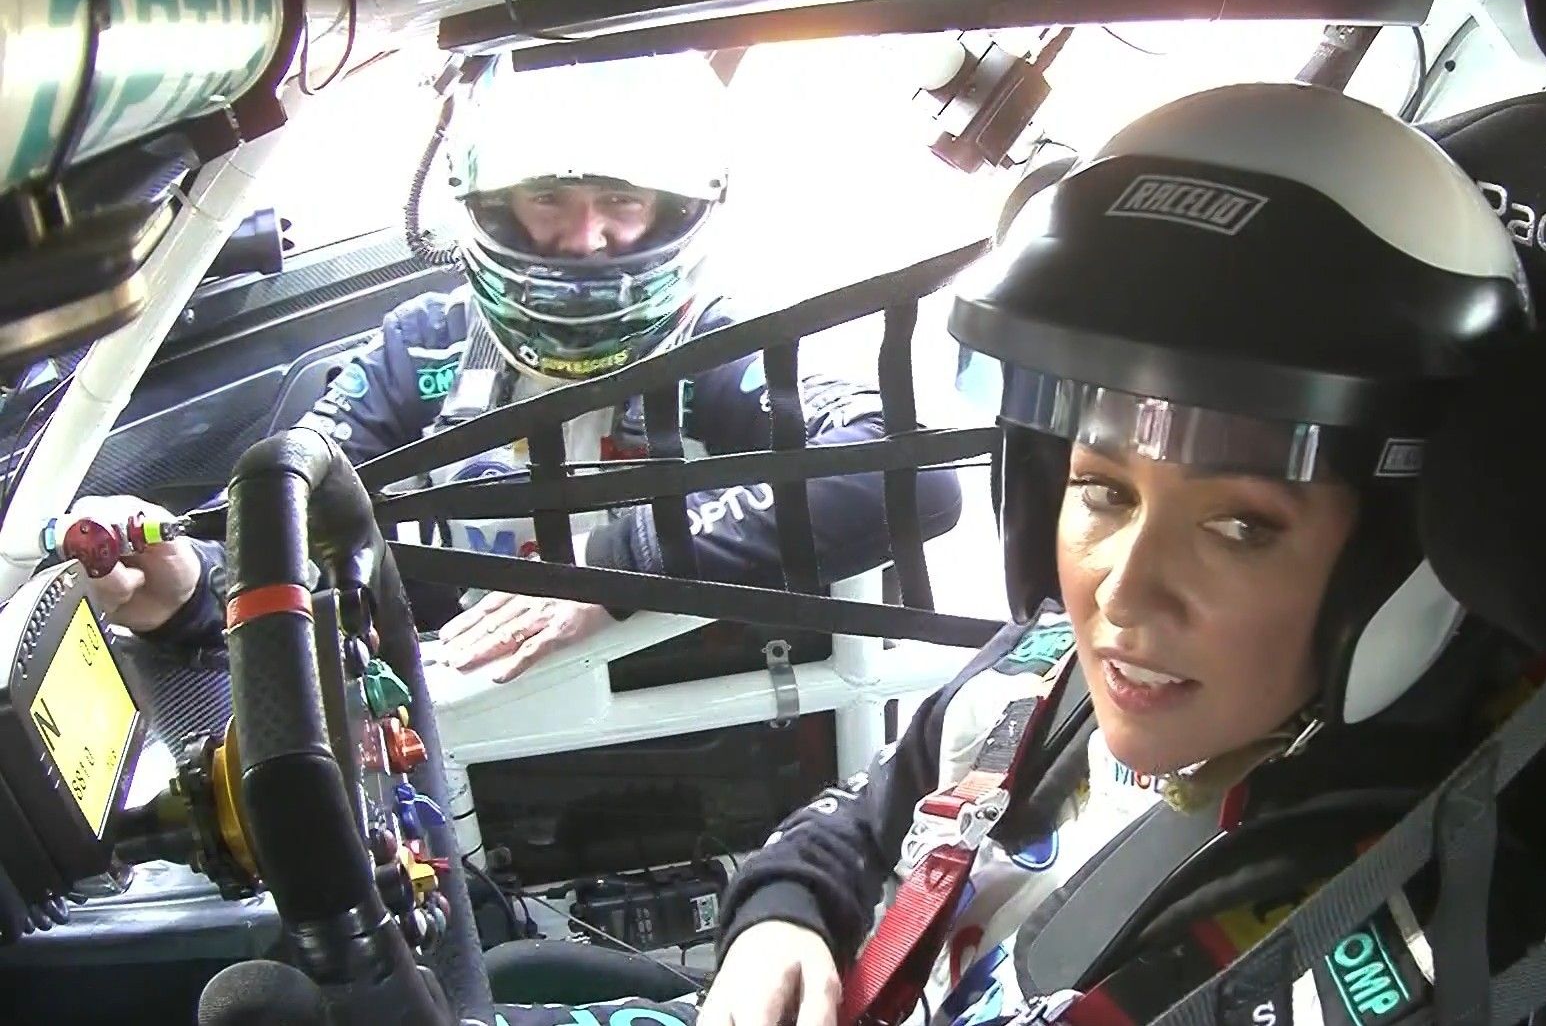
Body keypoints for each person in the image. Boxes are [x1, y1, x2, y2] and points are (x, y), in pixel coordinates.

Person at [471, 82, 1539, 1026]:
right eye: (1104, 492)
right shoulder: (1039, 681)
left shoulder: (1380, 924)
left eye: (1241, 527)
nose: (1125, 594)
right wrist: (783, 919)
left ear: (1387, 562)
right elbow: (862, 817)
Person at [67, 52, 965, 682]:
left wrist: (621, 567)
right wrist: (191, 590)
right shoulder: (420, 345)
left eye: (620, 199)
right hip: (459, 741)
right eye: (549, 198)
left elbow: (910, 466)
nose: (585, 238)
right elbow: (287, 523)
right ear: (493, 204)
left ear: (675, 208)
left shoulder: (723, 347)